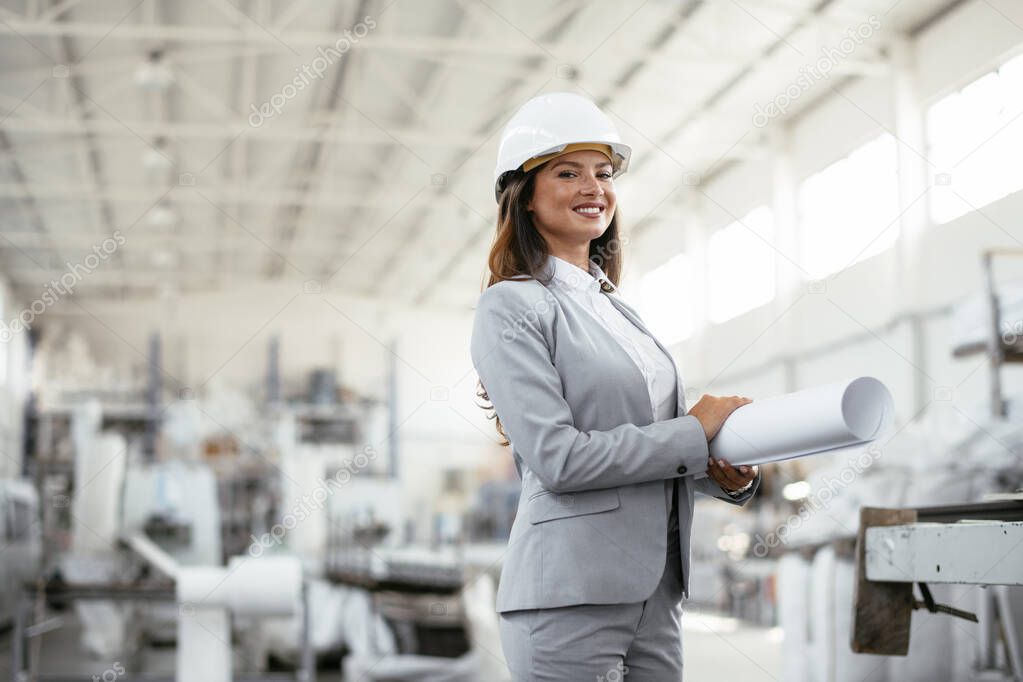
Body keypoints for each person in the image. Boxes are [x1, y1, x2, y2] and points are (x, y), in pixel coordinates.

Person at [469, 92, 761, 680]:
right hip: (568, 594)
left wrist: (717, 471)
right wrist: (691, 431)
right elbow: (560, 459)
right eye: (567, 172)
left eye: (603, 173)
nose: (593, 187)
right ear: (523, 196)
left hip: (657, 592)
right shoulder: (512, 307)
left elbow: (646, 447)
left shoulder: (617, 311)